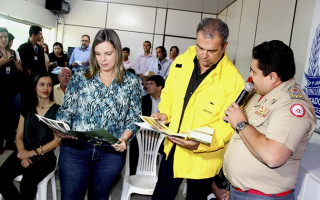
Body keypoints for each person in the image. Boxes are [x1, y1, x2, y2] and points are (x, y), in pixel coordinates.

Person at [151, 18, 245, 200]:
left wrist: (201, 142)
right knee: (161, 195)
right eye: (200, 47)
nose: (203, 55)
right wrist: (165, 113)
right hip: (174, 148)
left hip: (204, 158)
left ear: (224, 46)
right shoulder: (183, 60)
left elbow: (227, 124)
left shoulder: (234, 80)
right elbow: (169, 93)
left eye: (211, 51)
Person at [222, 40, 316, 200]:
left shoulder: (293, 105)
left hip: (263, 196)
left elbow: (273, 157)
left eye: (254, 72)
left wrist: (240, 124)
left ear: (272, 77)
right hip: (241, 192)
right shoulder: (261, 94)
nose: (250, 76)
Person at [55, 29, 141, 200]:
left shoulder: (130, 81)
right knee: (70, 196)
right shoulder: (80, 76)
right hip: (75, 150)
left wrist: (124, 138)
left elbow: (135, 117)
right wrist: (61, 126)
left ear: (118, 50)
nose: (102, 59)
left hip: (110, 154)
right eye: (98, 54)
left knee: (99, 197)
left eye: (108, 53)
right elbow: (67, 109)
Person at [0, 73, 60, 200]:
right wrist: (23, 153)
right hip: (23, 151)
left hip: (44, 156)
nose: (46, 88)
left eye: (49, 85)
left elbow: (57, 141)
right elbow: (19, 136)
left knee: (27, 182)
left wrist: (32, 153)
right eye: (42, 84)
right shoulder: (27, 107)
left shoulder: (57, 110)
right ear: (35, 87)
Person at [129, 75, 165, 175]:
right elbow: (137, 120)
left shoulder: (167, 102)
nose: (147, 86)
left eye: (151, 84)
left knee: (171, 148)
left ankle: (162, 180)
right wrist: (147, 134)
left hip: (162, 136)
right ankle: (133, 175)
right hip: (145, 135)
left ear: (159, 87)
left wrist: (157, 136)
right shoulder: (142, 100)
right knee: (133, 141)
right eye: (147, 84)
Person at [0, 28, 23, 153]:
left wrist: (17, 65)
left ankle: (9, 141)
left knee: (12, 117)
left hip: (13, 90)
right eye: (1, 37)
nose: (4, 39)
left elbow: (20, 70)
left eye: (5, 37)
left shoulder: (13, 52)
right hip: (1, 90)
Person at [18, 25, 47, 108]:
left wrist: (45, 76)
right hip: (28, 82)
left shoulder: (40, 49)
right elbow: (20, 64)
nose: (41, 36)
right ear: (33, 35)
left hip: (38, 80)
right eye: (40, 34)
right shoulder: (23, 48)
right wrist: (26, 70)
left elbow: (42, 65)